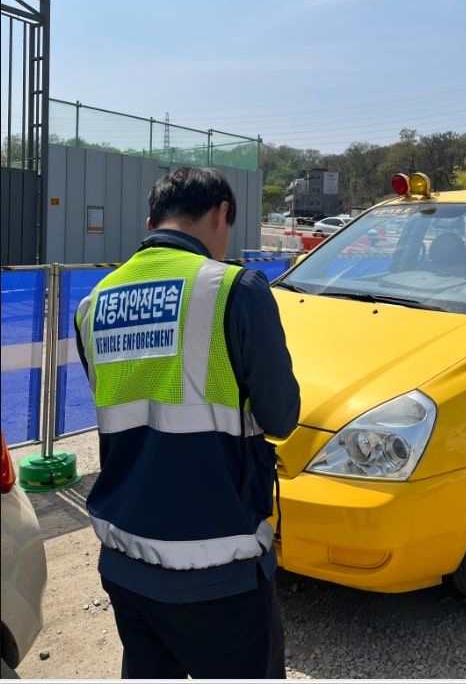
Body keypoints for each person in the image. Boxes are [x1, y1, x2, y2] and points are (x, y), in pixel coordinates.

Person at [74, 166, 301, 679]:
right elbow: (281, 416)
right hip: (218, 570)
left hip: (125, 558)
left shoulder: (93, 305)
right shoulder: (234, 289)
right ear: (220, 213)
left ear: (153, 218)